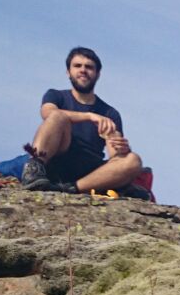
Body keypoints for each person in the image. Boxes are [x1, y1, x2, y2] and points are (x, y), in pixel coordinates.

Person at [19, 47, 144, 195]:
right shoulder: (56, 96)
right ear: (68, 72)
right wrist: (89, 116)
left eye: (89, 67)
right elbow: (48, 113)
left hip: (89, 173)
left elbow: (115, 155)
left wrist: (122, 149)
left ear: (97, 74)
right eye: (77, 66)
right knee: (57, 116)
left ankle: (71, 188)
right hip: (57, 159)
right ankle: (34, 171)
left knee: (133, 160)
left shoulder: (110, 113)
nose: (83, 70)